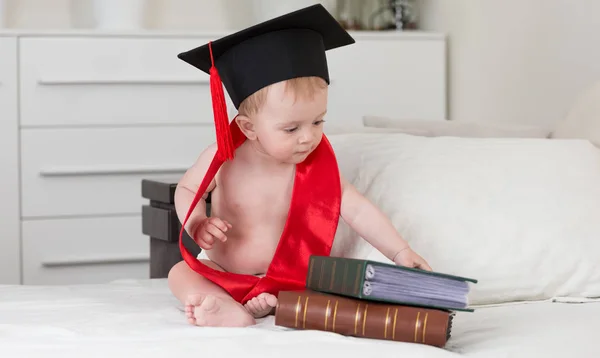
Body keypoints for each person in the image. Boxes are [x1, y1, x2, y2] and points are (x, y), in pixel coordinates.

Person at [167, 4, 432, 328]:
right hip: (226, 271)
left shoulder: (313, 165)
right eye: (291, 129)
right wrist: (196, 221)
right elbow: (188, 188)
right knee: (179, 273)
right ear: (249, 128)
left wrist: (400, 252)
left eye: (318, 121)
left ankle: (270, 304)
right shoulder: (222, 157)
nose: (308, 138)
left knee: (331, 278)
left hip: (289, 276)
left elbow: (358, 210)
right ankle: (225, 306)